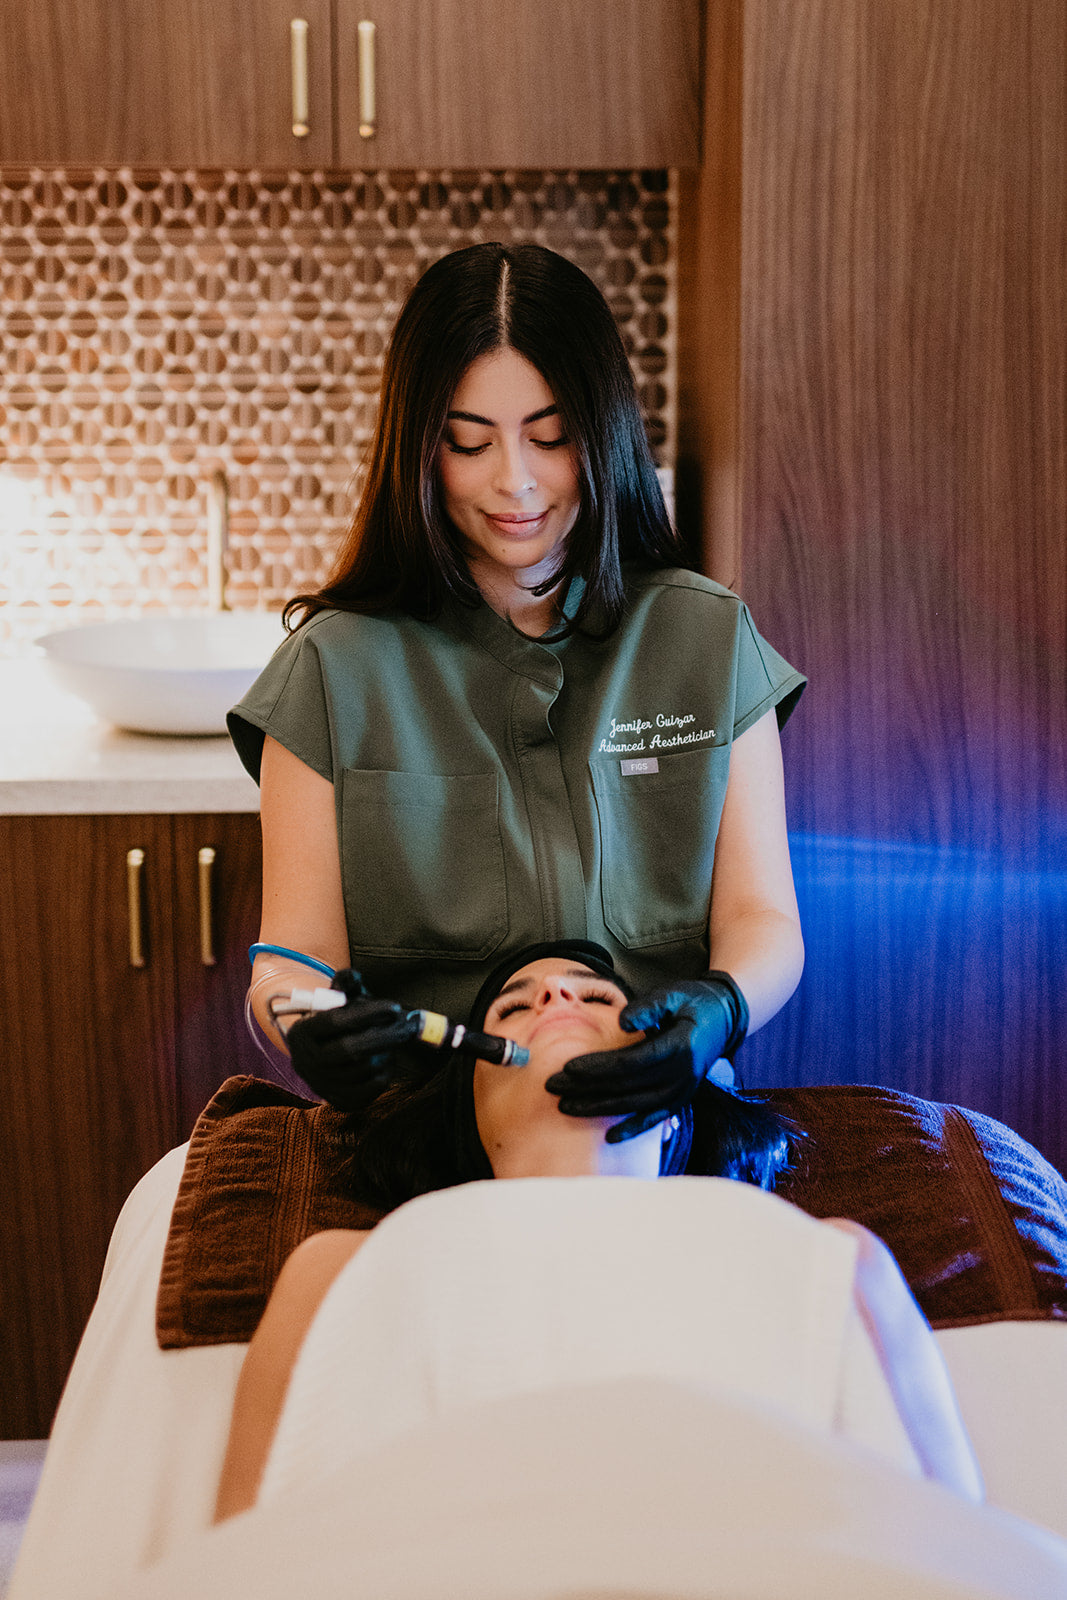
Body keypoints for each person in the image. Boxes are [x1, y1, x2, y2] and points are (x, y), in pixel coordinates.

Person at [228, 241, 807, 1138]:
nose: (515, 481)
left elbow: (760, 917)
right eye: (467, 442)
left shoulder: (704, 639)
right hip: (425, 1142)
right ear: (419, 446)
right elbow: (290, 959)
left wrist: (717, 1012)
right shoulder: (332, 672)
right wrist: (300, 1023)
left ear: (603, 432)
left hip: (657, 1130)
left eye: (549, 437)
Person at [213, 944, 983, 1523]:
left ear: (677, 1101)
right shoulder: (337, 1270)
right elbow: (245, 1558)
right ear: (467, 1116)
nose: (553, 991)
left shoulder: (833, 1259)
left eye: (597, 998)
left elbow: (950, 1551)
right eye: (513, 1008)